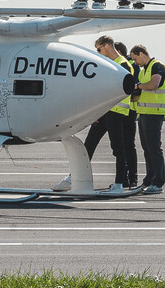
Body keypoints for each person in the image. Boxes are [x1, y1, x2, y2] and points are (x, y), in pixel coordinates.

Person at [57, 36, 137, 193]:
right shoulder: (109, 64)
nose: (98, 52)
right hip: (104, 113)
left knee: (118, 149)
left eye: (99, 49)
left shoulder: (124, 65)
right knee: (88, 146)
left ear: (107, 46)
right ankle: (72, 178)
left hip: (116, 112)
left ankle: (119, 183)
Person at [129, 44, 165, 193]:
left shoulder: (157, 66)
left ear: (141, 54)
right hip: (144, 113)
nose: (135, 63)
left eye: (135, 59)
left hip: (154, 112)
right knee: (147, 149)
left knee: (154, 148)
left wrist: (138, 86)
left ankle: (158, 183)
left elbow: (154, 84)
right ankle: (149, 180)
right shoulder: (143, 70)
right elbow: (142, 91)